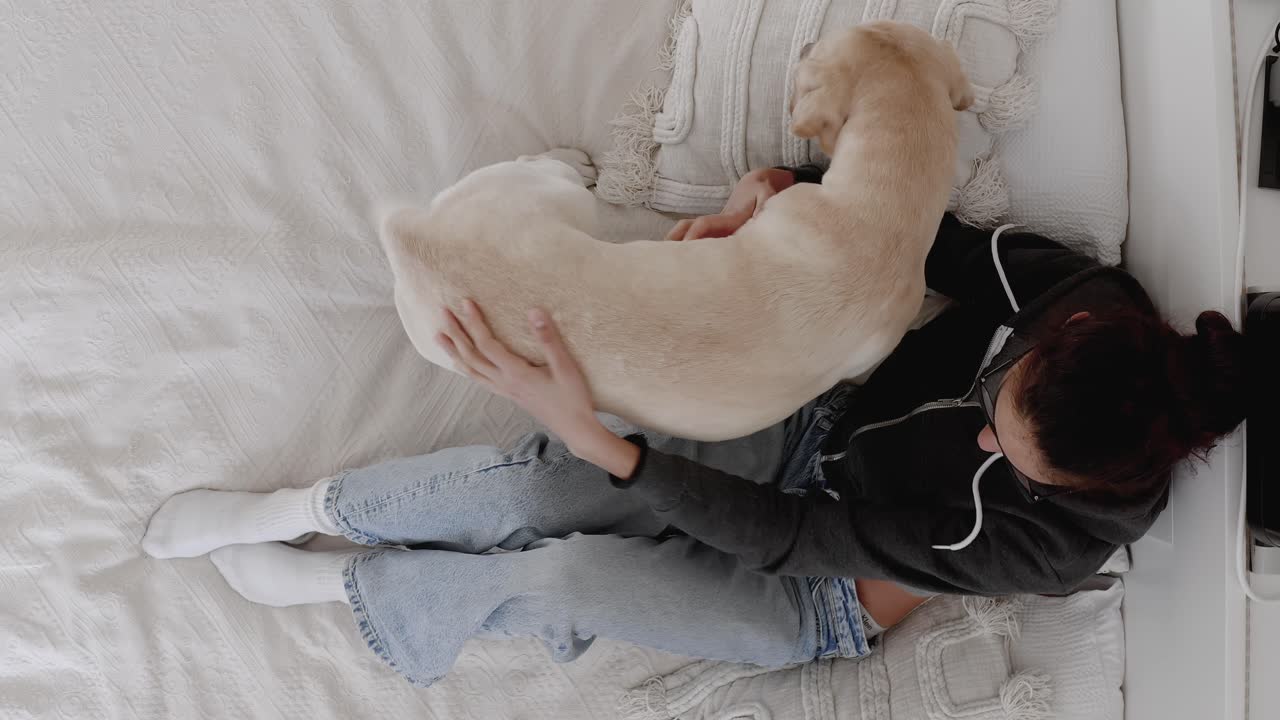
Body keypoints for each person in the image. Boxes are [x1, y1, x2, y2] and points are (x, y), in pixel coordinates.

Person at [142, 166, 1246, 687]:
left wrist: (603, 440)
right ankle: (305, 510)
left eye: (1006, 459)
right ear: (1052, 344)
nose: (979, 439)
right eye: (997, 406)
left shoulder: (1051, 547)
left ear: (1069, 492)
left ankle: (338, 586)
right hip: (817, 428)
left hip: (822, 589)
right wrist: (786, 198)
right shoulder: (1084, 302)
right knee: (536, 488)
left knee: (567, 576)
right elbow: (922, 238)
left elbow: (793, 540)